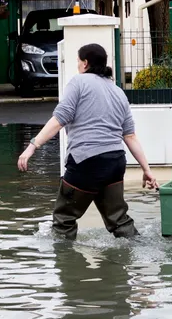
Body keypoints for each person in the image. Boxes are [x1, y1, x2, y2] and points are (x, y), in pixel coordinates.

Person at [17, 43, 160, 239]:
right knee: (119, 220)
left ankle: (66, 264)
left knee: (63, 219)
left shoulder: (78, 83)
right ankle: (134, 255)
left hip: (86, 161)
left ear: (85, 63)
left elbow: (60, 119)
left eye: (77, 60)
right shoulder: (118, 91)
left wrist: (33, 145)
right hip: (115, 162)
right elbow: (130, 136)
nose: (77, 65)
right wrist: (147, 170)